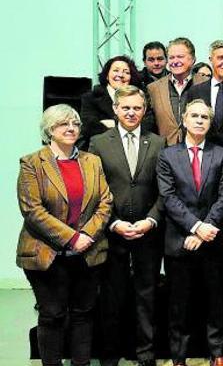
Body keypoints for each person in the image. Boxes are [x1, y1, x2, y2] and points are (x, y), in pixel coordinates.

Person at [17, 104, 112, 366]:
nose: (71, 129)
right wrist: (71, 238)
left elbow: (105, 201)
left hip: (86, 252)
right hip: (46, 254)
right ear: (49, 130)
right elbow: (32, 210)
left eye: (75, 124)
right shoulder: (32, 163)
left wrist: (86, 237)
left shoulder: (92, 161)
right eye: (63, 124)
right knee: (52, 315)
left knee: (83, 313)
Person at [89, 86, 165, 366]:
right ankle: (111, 354)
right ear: (115, 109)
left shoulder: (157, 142)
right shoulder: (98, 142)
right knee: (112, 296)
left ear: (144, 110)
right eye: (126, 108)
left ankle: (145, 353)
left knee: (147, 296)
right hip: (113, 232)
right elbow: (94, 190)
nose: (131, 112)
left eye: (137, 108)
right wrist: (114, 222)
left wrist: (151, 220)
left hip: (148, 232)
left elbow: (164, 190)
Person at [157, 99, 223, 366]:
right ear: (184, 119)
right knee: (180, 304)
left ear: (210, 123)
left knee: (216, 301)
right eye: (195, 116)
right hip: (180, 241)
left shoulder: (222, 154)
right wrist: (195, 226)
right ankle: (179, 357)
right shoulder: (167, 155)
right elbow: (167, 197)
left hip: (213, 241)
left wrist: (204, 230)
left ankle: (217, 353)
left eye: (205, 117)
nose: (200, 120)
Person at [146, 37, 208, 145]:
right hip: (165, 153)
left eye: (180, 57)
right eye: (171, 57)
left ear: (193, 59)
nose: (175, 61)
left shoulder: (207, 84)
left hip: (199, 152)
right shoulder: (153, 88)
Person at [80, 55, 144, 150]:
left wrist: (113, 123)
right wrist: (126, 127)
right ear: (107, 75)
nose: (121, 75)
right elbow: (89, 127)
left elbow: (147, 124)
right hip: (100, 149)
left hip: (133, 147)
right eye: (116, 70)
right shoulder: (91, 97)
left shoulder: (140, 96)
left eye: (126, 72)